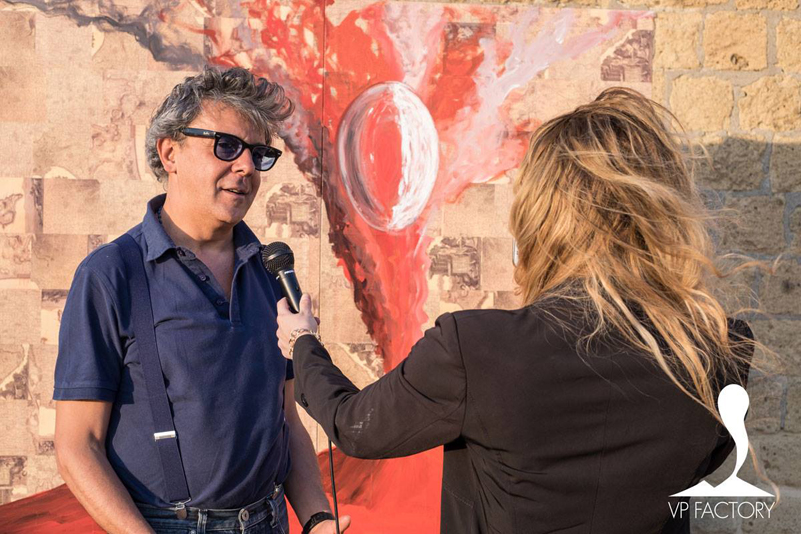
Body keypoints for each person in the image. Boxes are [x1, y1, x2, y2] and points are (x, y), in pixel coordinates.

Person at [276, 88, 758, 533]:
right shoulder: (719, 348)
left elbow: (354, 426)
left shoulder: (478, 348)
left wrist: (302, 344)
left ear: (541, 216)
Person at [54, 66, 349, 534]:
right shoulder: (110, 275)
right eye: (227, 146)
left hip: (269, 522)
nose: (247, 167)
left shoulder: (270, 271)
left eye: (259, 153)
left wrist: (315, 518)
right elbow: (77, 446)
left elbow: (285, 417)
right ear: (170, 152)